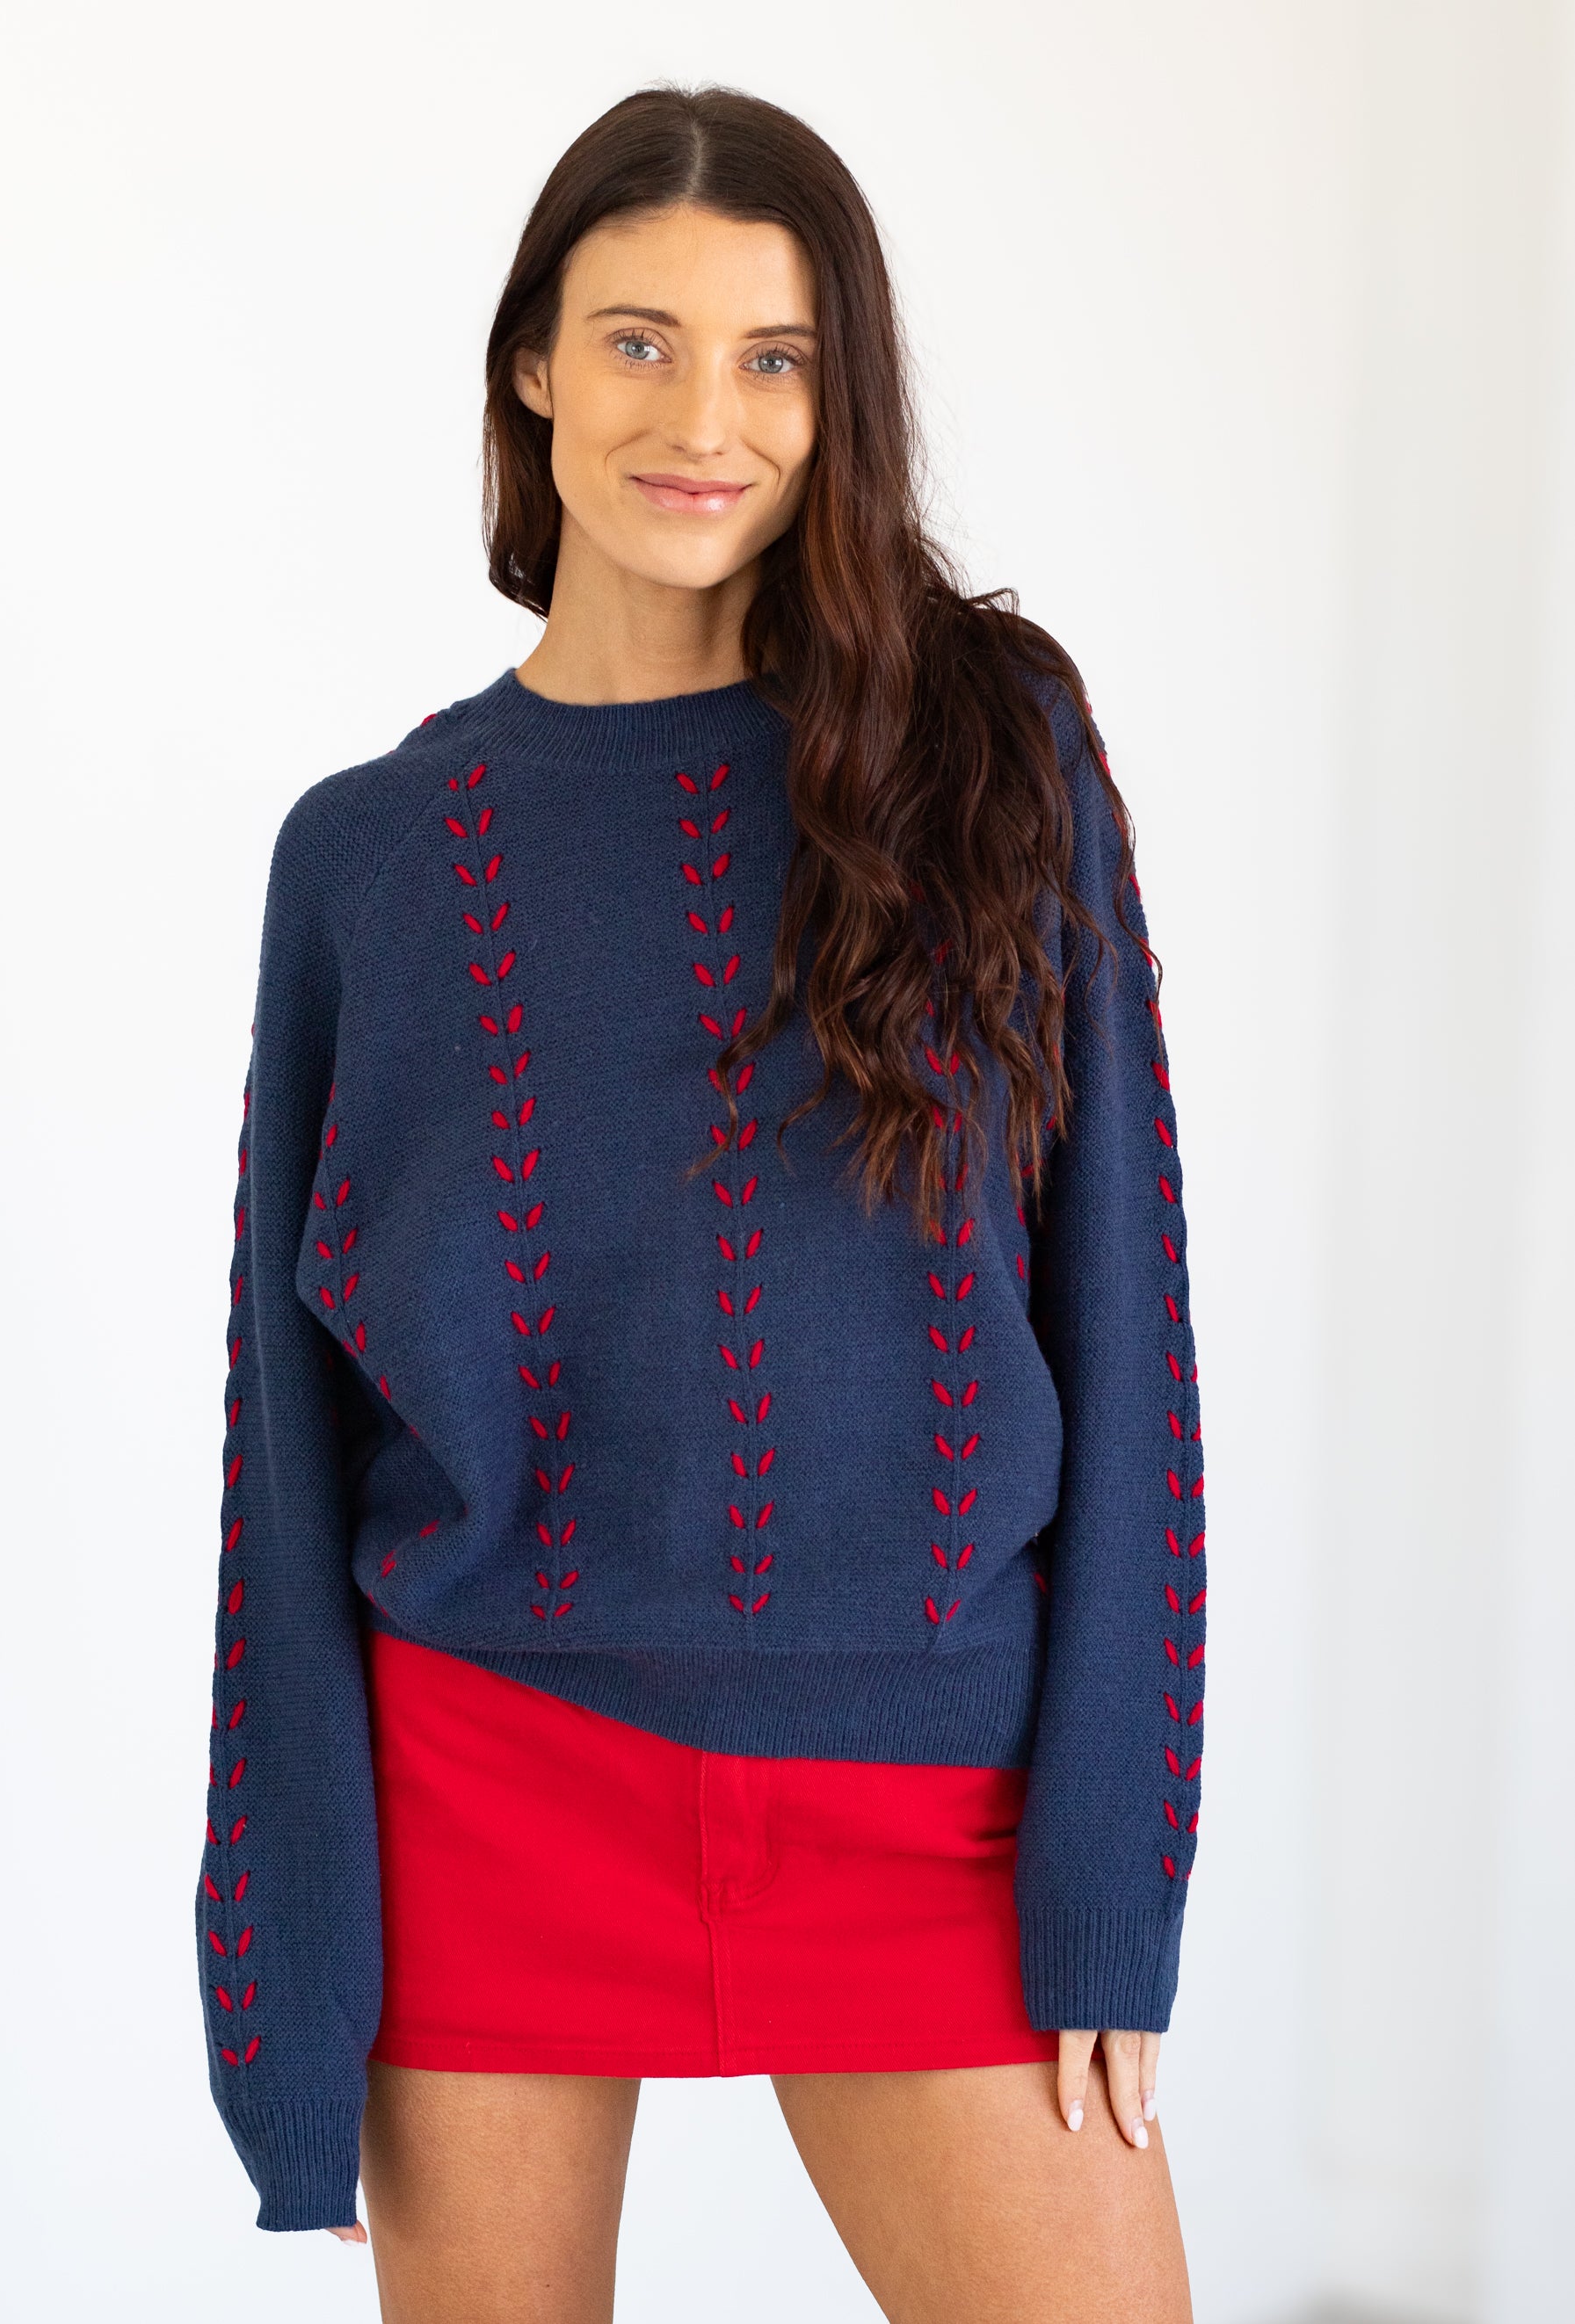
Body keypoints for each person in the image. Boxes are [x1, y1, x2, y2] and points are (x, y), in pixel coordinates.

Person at [196, 82, 1204, 2324]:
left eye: (775, 359)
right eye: (639, 341)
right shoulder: (366, 864)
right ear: (533, 366)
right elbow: (284, 1457)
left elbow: (1127, 1319)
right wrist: (287, 2002)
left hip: (925, 1791)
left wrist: (1112, 1874)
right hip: (493, 1790)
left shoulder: (991, 756)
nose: (706, 419)